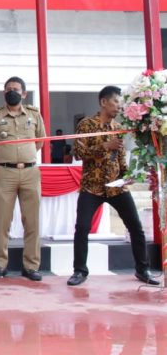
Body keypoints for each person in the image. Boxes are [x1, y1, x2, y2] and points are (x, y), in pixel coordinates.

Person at [67, 86, 159, 287]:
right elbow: (79, 153)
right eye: (116, 101)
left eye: (120, 103)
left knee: (135, 226)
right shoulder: (86, 125)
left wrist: (127, 175)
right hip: (92, 186)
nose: (119, 106)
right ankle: (79, 271)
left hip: (117, 187)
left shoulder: (118, 126)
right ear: (103, 102)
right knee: (82, 227)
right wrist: (104, 146)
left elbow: (120, 156)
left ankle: (142, 269)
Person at [0, 76, 45, 281]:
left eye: (16, 89)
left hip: (30, 173)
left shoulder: (34, 114)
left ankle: (31, 266)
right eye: (8, 89)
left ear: (24, 94)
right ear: (4, 92)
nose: (11, 92)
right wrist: (5, 156)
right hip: (4, 173)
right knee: (2, 221)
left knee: (32, 221)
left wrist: (23, 156)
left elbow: (40, 141)